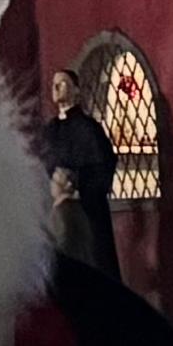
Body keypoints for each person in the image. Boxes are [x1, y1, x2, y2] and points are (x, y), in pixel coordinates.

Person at [35, 74, 117, 275]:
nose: (56, 87)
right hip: (56, 211)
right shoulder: (50, 130)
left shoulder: (89, 128)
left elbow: (104, 165)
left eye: (62, 83)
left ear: (76, 90)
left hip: (86, 210)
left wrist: (75, 183)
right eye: (54, 83)